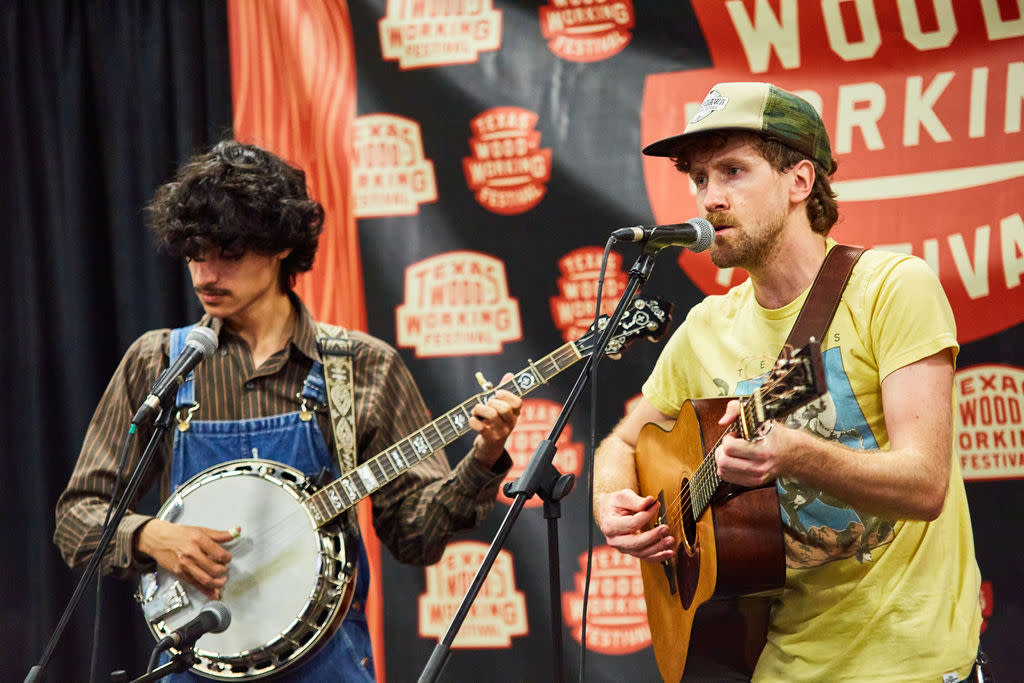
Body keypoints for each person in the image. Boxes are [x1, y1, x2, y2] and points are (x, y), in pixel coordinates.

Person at [54, 140, 521, 681]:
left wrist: (482, 459)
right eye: (194, 254)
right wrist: (150, 536)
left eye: (228, 253)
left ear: (280, 246)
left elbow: (416, 538)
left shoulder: (362, 366)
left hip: (327, 665)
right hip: (194, 664)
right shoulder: (158, 361)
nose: (205, 275)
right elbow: (77, 517)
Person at [594, 82, 982, 681]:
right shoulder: (706, 327)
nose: (710, 198)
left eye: (733, 171)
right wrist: (612, 502)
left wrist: (796, 453)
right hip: (776, 665)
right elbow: (621, 442)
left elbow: (926, 484)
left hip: (909, 666)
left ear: (799, 181)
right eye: (699, 178)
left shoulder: (891, 287)